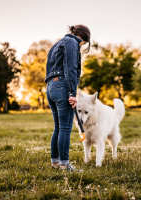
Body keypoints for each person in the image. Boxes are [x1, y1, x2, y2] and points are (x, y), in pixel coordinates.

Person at [45, 25, 91, 171]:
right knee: (65, 127)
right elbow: (70, 68)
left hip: (51, 87)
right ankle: (65, 164)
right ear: (83, 39)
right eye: (83, 44)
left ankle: (55, 162)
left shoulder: (57, 43)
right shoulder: (72, 43)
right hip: (62, 86)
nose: (82, 46)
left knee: (58, 127)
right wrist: (72, 93)